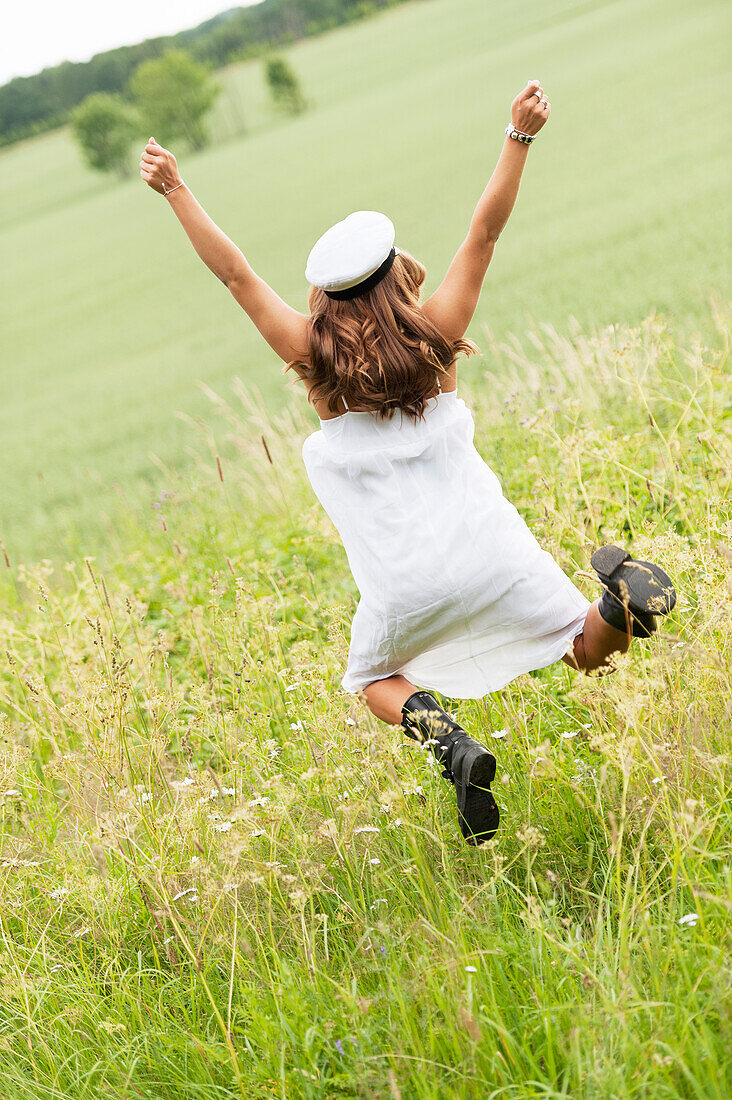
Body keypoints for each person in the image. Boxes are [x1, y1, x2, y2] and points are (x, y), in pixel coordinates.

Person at [139, 80, 676, 846]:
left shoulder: (315, 364)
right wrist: (517, 136)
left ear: (324, 297)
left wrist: (177, 189)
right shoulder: (437, 340)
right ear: (397, 272)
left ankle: (450, 744)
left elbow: (234, 274)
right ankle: (624, 604)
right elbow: (482, 235)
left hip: (405, 582)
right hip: (492, 551)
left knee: (370, 681)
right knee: (584, 651)